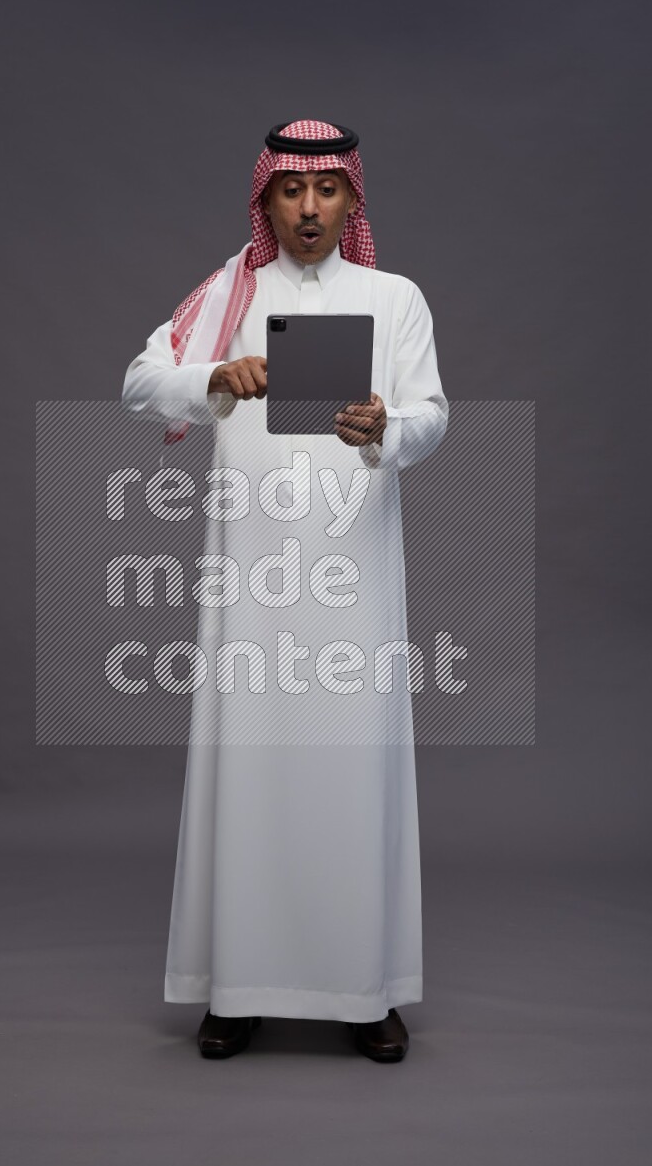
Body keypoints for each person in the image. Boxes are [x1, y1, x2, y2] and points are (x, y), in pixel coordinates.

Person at [122, 120, 449, 1062]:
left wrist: (389, 423)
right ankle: (236, 986)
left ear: (353, 199)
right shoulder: (232, 295)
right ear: (264, 201)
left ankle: (365, 990)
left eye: (327, 190)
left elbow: (433, 417)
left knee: (357, 773)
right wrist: (213, 377)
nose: (309, 209)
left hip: (354, 583)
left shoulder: (396, 300)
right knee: (248, 769)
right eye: (290, 192)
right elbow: (142, 382)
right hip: (252, 585)